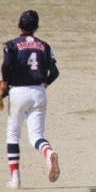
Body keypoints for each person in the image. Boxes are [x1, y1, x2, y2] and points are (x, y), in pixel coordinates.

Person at [1, 10, 60, 189]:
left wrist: (4, 83)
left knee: (13, 134)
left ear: (19, 25)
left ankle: (15, 179)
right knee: (36, 136)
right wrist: (44, 85)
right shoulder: (45, 46)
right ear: (36, 27)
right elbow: (54, 72)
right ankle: (48, 153)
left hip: (18, 92)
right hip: (39, 92)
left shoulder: (11, 45)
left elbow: (6, 65)